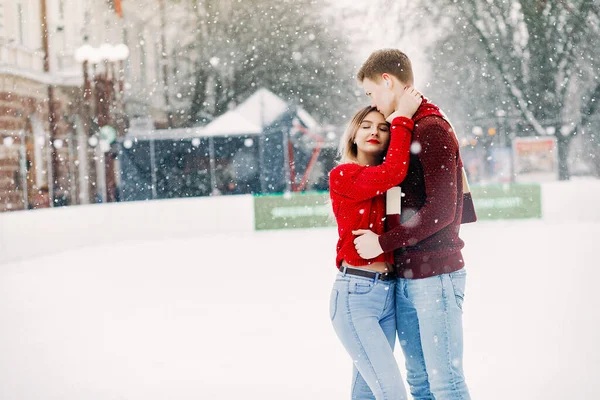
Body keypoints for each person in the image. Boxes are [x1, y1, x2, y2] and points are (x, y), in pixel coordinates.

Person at [353, 48, 472, 400]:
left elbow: (443, 210)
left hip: (435, 274)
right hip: (407, 275)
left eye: (371, 92)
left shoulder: (431, 128)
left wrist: (383, 242)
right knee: (420, 381)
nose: (371, 100)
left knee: (445, 383)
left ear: (387, 81)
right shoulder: (407, 127)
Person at [329, 87, 422, 400]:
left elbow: (397, 173)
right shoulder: (343, 175)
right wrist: (402, 119)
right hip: (356, 293)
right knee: (391, 392)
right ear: (353, 135)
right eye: (366, 126)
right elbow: (392, 171)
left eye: (383, 128)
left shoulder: (391, 184)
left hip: (388, 292)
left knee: (368, 392)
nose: (375, 132)